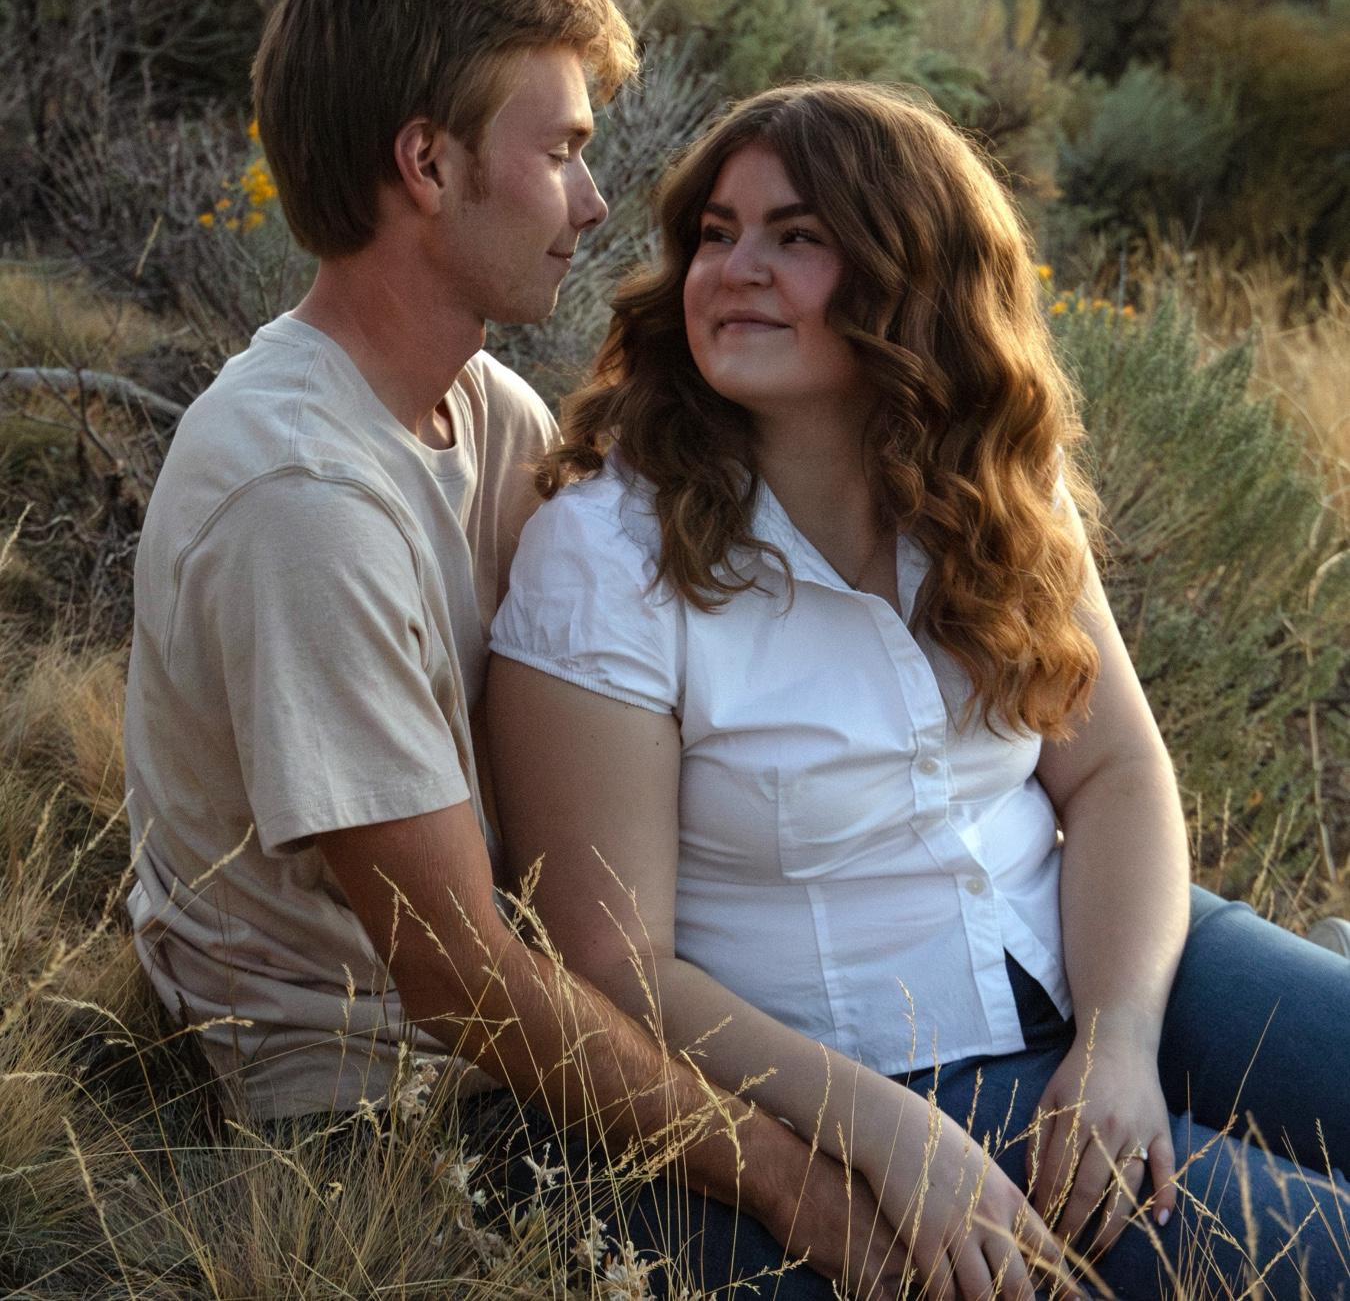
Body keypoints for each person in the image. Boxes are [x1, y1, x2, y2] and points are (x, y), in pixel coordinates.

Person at [122, 0, 917, 1293]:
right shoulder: (303, 500)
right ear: (428, 165)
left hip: (525, 1026)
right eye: (560, 153)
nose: (594, 203)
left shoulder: (482, 407)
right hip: (385, 1106)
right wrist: (805, 1190)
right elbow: (458, 977)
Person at [488, 81, 1350, 1299]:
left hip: (1109, 952)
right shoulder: (608, 561)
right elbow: (613, 965)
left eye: (797, 236)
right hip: (887, 1070)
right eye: (717, 235)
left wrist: (1119, 1042)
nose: (735, 270)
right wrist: (887, 1134)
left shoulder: (993, 488)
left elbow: (1114, 773)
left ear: (913, 279)